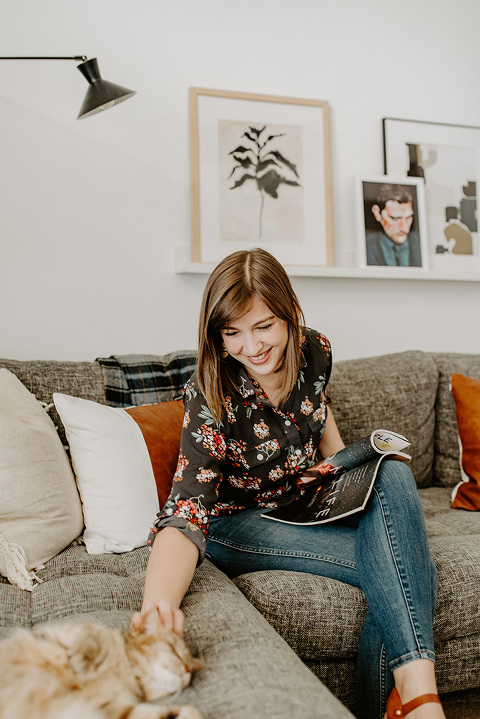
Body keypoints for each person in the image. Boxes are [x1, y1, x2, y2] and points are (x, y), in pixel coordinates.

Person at [131, 248, 445, 719]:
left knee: (394, 475)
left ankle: (406, 701)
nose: (250, 347)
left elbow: (319, 412)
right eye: (231, 333)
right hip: (236, 526)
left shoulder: (316, 349)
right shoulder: (210, 392)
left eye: (263, 327)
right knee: (405, 570)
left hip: (305, 501)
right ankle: (418, 701)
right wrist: (157, 609)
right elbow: (185, 511)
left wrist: (346, 471)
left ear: (291, 314)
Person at [366, 184, 423, 267]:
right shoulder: (366, 246)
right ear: (377, 213)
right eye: (395, 218)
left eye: (408, 217)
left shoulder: (420, 244)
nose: (404, 228)